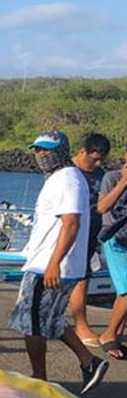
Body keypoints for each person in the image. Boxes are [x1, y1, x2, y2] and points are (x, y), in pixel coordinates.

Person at [8, 132, 108, 394]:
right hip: (50, 263)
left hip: (49, 266)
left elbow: (71, 223)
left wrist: (54, 263)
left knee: (32, 321)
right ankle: (89, 361)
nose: (41, 155)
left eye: (47, 150)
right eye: (38, 150)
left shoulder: (67, 178)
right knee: (50, 319)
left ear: (62, 151)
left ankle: (39, 379)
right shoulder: (61, 177)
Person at [69, 133, 109, 347]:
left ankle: (80, 325)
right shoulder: (67, 171)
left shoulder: (100, 174)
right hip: (69, 230)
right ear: (82, 151)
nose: (98, 164)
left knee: (83, 276)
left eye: (101, 160)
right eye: (94, 159)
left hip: (91, 232)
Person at [94, 147, 127, 359]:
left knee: (122, 292)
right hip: (115, 239)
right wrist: (124, 182)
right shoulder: (112, 178)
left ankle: (117, 335)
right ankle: (108, 335)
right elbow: (102, 207)